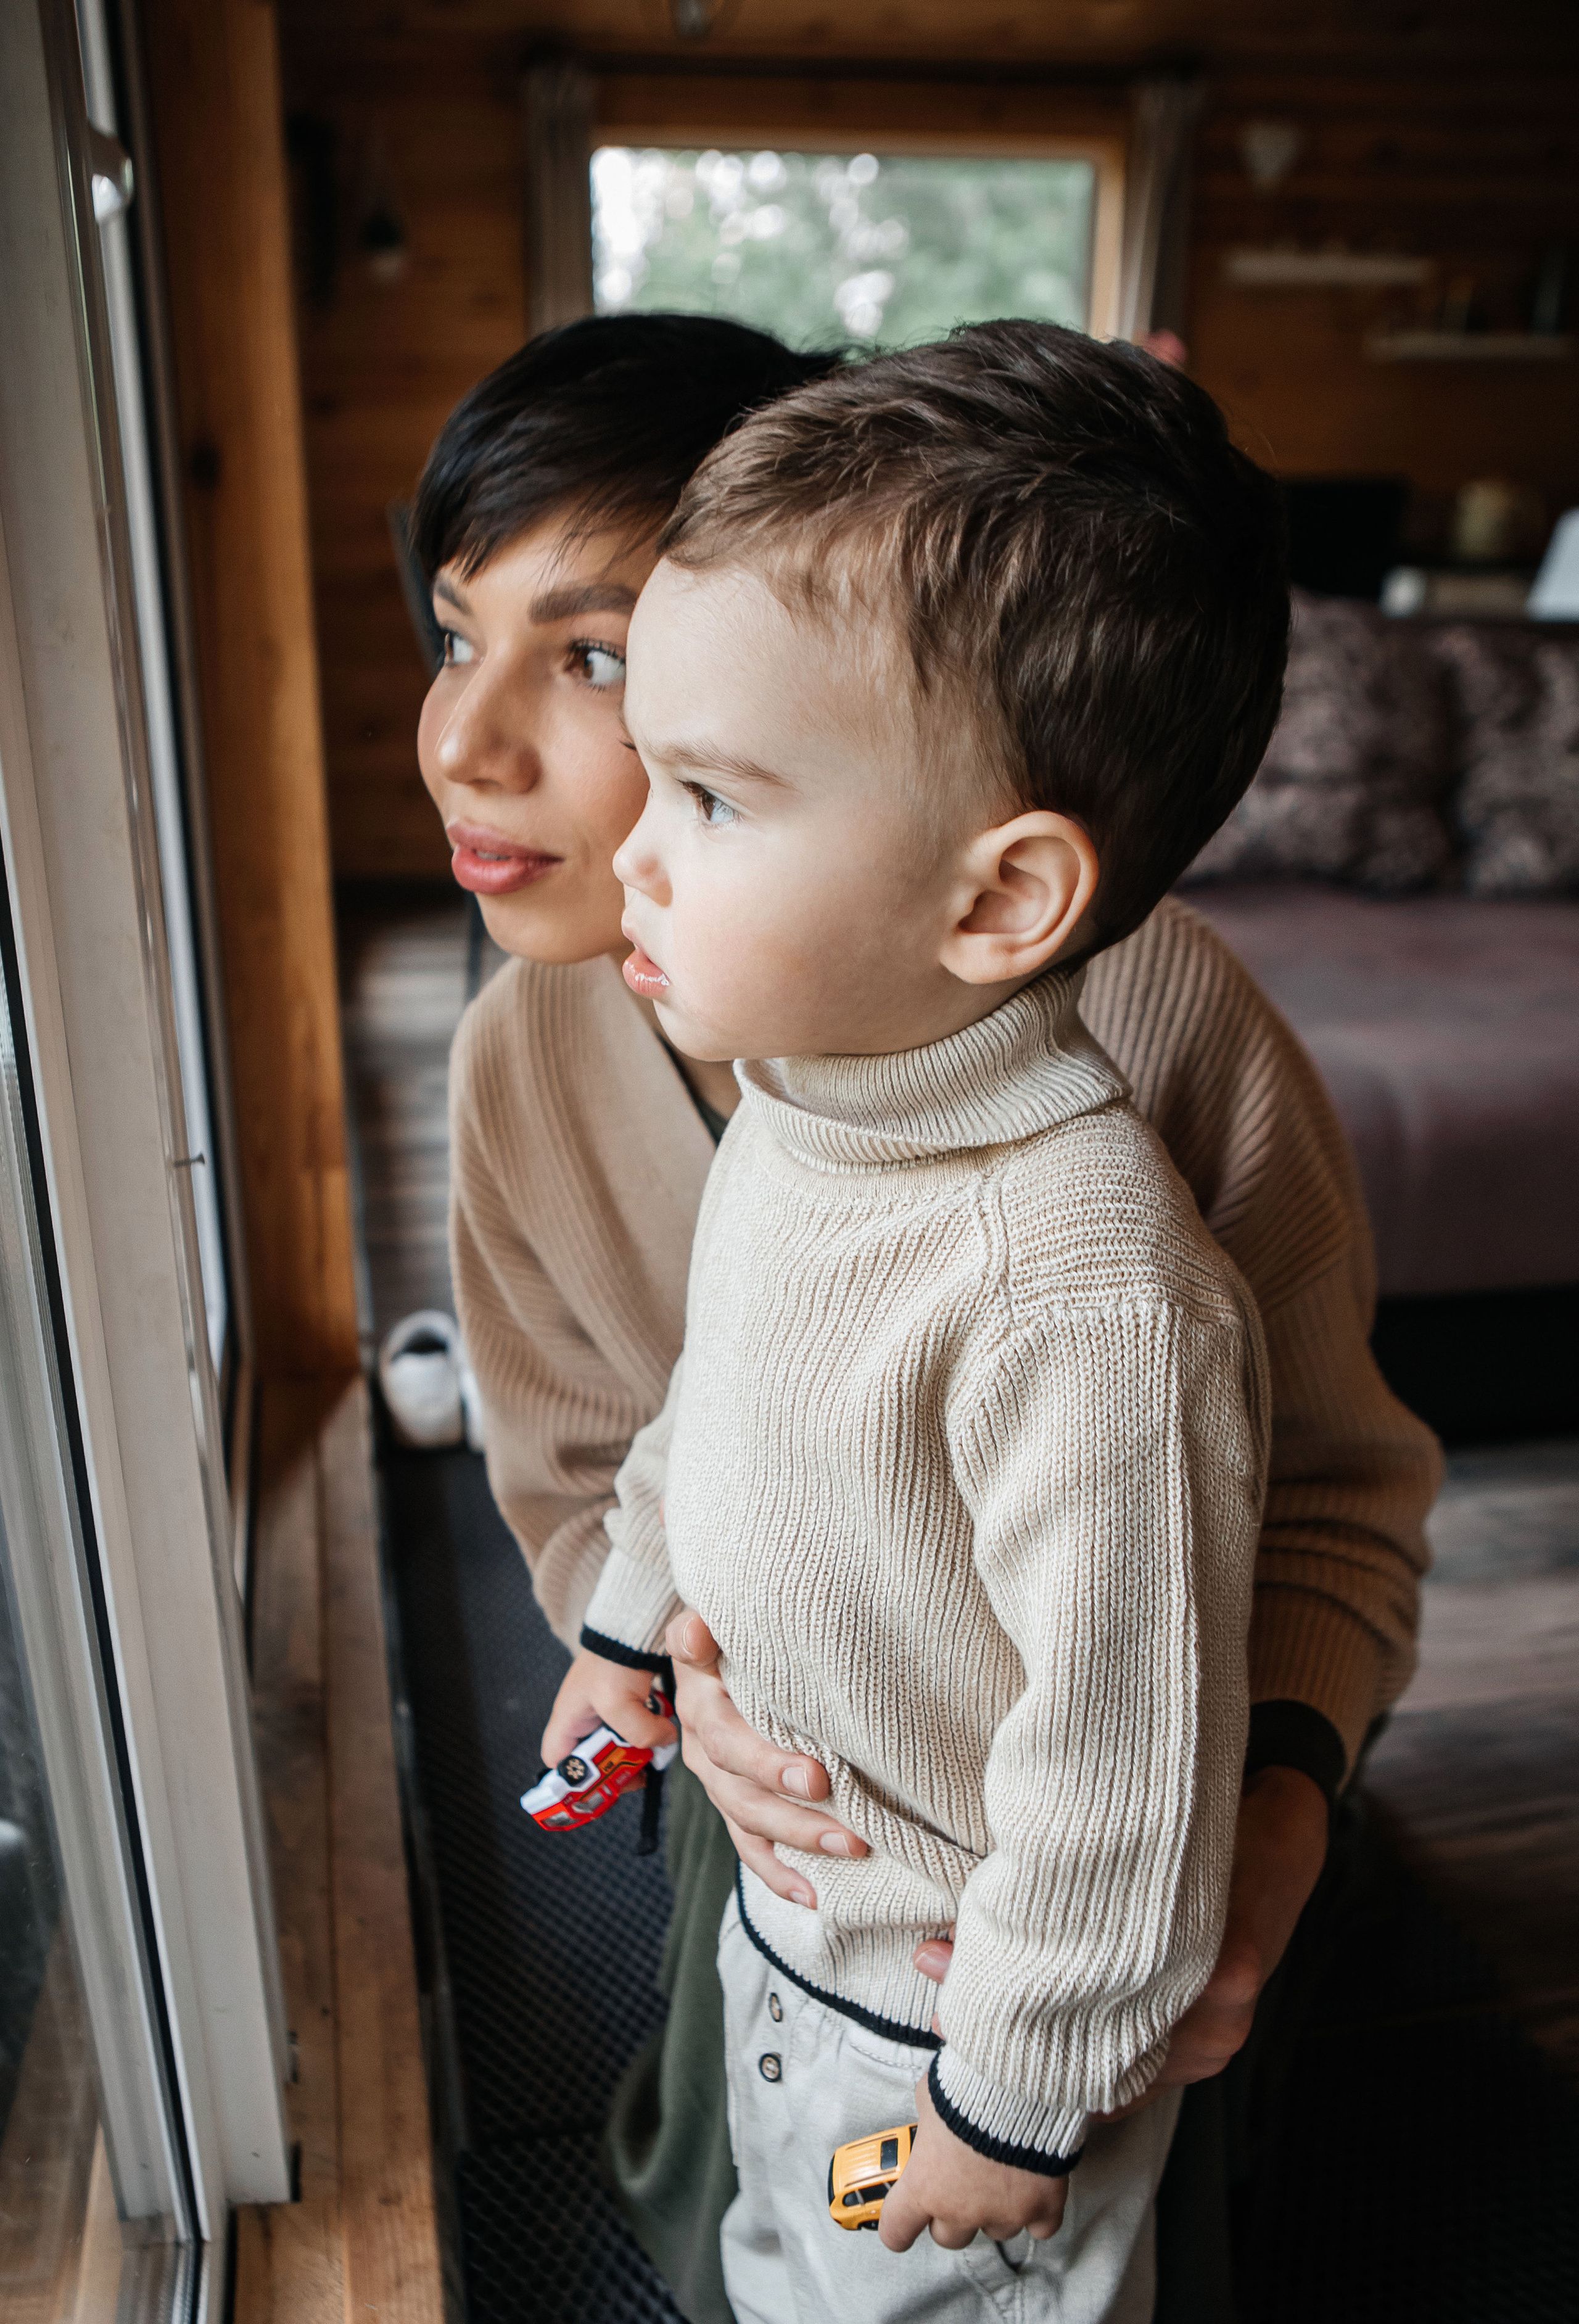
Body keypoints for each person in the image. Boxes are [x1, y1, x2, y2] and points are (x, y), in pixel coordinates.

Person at [414, 315, 1440, 2324]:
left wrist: (1256, 1834)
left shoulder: (1125, 1140)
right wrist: (662, 1655)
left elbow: (1303, 1524)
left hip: (1040, 1925)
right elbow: (638, 1450)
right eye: (454, 635)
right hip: (795, 1884)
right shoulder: (577, 1070)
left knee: (995, 2249)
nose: (465, 742)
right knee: (754, 2235)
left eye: (599, 659)